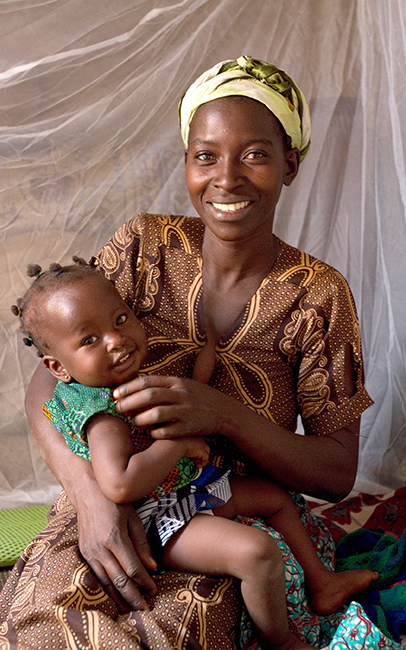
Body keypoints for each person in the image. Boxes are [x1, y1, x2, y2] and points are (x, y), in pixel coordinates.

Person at [0, 56, 382, 650]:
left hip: (233, 509)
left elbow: (336, 474)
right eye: (205, 155)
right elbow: (49, 389)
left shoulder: (317, 295)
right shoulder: (145, 246)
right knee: (52, 610)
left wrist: (224, 415)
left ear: (290, 164)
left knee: (176, 622)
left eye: (255, 154)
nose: (225, 177)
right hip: (115, 489)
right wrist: (90, 496)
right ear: (186, 163)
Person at [12, 260, 378, 650]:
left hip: (184, 491)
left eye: (121, 319)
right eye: (89, 340)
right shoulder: (103, 417)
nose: (115, 339)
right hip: (155, 519)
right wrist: (179, 445)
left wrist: (207, 353)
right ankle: (282, 640)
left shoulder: (115, 379)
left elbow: (182, 395)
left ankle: (322, 583)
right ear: (56, 367)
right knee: (258, 555)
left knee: (275, 499)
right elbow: (120, 484)